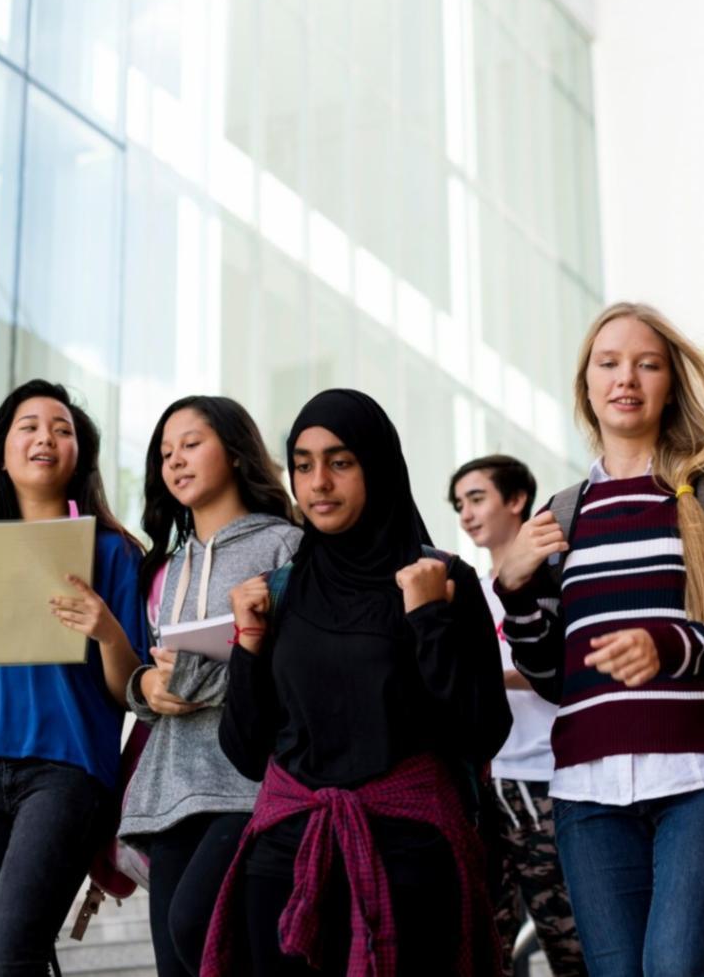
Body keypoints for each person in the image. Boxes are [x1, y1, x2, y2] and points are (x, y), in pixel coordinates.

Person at [494, 302, 704, 976]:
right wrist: (513, 589)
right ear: (586, 386)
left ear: (670, 383)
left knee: (678, 967)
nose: (626, 378)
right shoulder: (561, 515)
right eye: (609, 364)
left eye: (646, 365)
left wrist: (667, 646)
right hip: (587, 790)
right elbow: (553, 676)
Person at [202, 389, 511, 975]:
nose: (318, 481)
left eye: (339, 462)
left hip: (409, 861)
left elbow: (481, 730)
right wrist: (247, 643)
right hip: (285, 859)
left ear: (378, 465)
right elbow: (245, 751)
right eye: (303, 463)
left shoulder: (443, 580)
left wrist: (426, 620)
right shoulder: (281, 590)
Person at [0, 378, 149, 975]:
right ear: (3, 450)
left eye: (63, 429)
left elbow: (130, 691)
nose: (46, 437)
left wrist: (107, 630)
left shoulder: (114, 551)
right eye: (30, 426)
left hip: (66, 774)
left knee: (12, 955)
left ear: (78, 456)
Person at [120, 396, 301, 977]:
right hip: (171, 788)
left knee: (198, 928)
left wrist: (196, 678)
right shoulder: (169, 569)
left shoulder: (284, 546)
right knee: (174, 961)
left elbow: (294, 671)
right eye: (165, 452)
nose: (175, 460)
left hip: (248, 783)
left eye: (191, 443)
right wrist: (146, 687)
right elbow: (156, 684)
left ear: (235, 450)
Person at [450, 454, 588, 976]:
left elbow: (559, 670)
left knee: (570, 943)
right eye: (459, 504)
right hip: (486, 787)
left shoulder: (555, 576)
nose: (465, 513)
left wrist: (482, 672)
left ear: (516, 501)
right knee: (489, 942)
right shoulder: (467, 591)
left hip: (546, 782)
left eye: (477, 497)